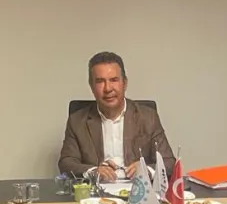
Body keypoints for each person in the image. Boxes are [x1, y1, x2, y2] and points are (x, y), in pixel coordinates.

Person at [58, 51, 175, 180]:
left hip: (138, 188)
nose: (108, 88)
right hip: (96, 190)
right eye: (100, 81)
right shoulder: (77, 121)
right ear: (91, 86)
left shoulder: (148, 117)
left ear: (124, 83)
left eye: (114, 80)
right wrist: (93, 171)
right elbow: (66, 163)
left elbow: (169, 162)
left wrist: (146, 169)